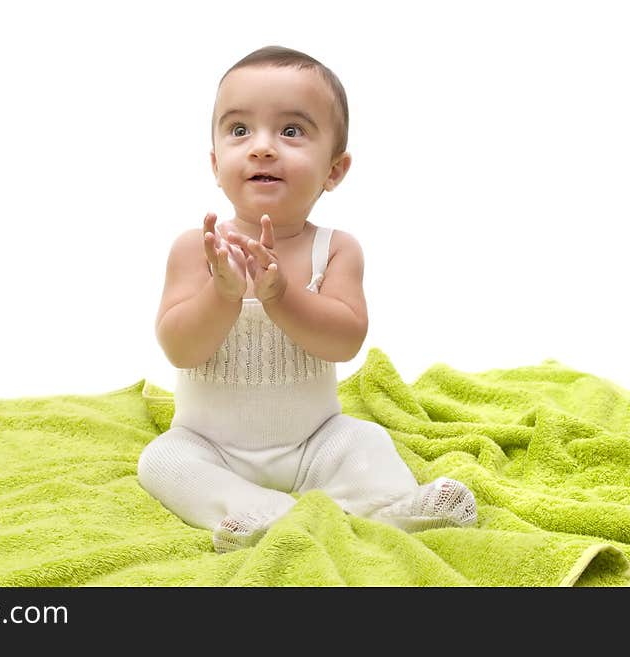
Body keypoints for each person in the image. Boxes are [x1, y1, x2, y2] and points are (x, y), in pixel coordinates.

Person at [138, 45, 477, 553]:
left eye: (291, 131)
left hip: (315, 440)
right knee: (163, 461)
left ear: (334, 170)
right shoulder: (196, 249)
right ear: (215, 163)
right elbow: (180, 349)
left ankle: (395, 506)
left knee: (366, 440)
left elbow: (344, 341)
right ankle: (257, 511)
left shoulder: (335, 248)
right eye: (239, 131)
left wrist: (281, 296)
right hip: (209, 445)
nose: (262, 148)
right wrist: (222, 293)